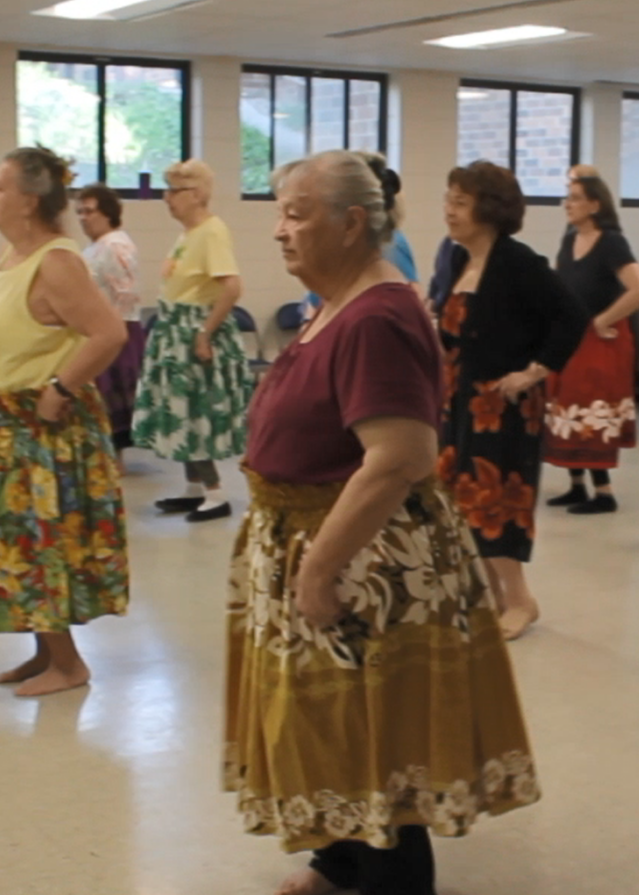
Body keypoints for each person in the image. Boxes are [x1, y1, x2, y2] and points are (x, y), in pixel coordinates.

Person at [226, 150, 539, 895]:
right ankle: (341, 859)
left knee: (371, 736)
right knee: (324, 724)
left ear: (352, 222)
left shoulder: (379, 315)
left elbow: (400, 456)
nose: (279, 231)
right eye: (280, 212)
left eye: (296, 213)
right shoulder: (337, 303)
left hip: (362, 559)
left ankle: (391, 879)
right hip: (312, 535)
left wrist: (318, 567)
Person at [0, 147, 130, 698]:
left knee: (38, 542)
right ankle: (43, 651)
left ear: (29, 200)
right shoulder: (14, 255)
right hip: (3, 431)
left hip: (39, 432)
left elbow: (109, 333)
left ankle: (69, 664)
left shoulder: (57, 261)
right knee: (18, 544)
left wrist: (59, 388)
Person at [437, 161, 588, 640]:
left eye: (460, 203)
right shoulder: (457, 259)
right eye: (450, 200)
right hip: (458, 400)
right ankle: (494, 596)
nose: (450, 211)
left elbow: (570, 317)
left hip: (502, 405)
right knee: (461, 498)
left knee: (495, 501)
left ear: (489, 209)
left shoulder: (518, 262)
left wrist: (535, 371)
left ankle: (520, 599)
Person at [132, 159, 254, 523]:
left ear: (197, 195)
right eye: (165, 190)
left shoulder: (212, 232)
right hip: (174, 329)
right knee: (180, 413)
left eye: (174, 191)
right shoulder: (189, 233)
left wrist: (205, 333)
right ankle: (195, 488)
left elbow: (231, 287)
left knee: (196, 414)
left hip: (192, 330)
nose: (166, 198)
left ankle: (216, 493)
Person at [543, 174, 639, 515]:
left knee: (590, 406)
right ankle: (576, 485)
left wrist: (602, 320)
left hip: (600, 340)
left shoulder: (611, 243)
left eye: (575, 198)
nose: (568, 204)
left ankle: (603, 492)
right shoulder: (570, 240)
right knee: (567, 405)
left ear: (594, 205)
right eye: (568, 197)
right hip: (571, 335)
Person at [75, 182, 147, 449]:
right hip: (97, 329)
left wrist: (106, 331)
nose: (83, 218)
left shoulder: (116, 246)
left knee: (111, 398)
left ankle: (114, 456)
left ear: (107, 213)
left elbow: (124, 294)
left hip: (117, 329)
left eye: (89, 211)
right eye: (79, 212)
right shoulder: (94, 246)